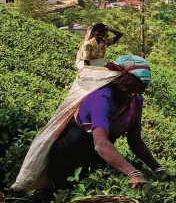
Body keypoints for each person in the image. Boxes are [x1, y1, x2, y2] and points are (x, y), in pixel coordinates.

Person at [48, 55, 167, 190]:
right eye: (131, 87)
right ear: (117, 79)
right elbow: (101, 144)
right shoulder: (102, 96)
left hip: (98, 158)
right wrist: (132, 173)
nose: (134, 94)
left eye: (140, 90)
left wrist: (158, 169)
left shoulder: (136, 101)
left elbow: (135, 140)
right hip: (69, 155)